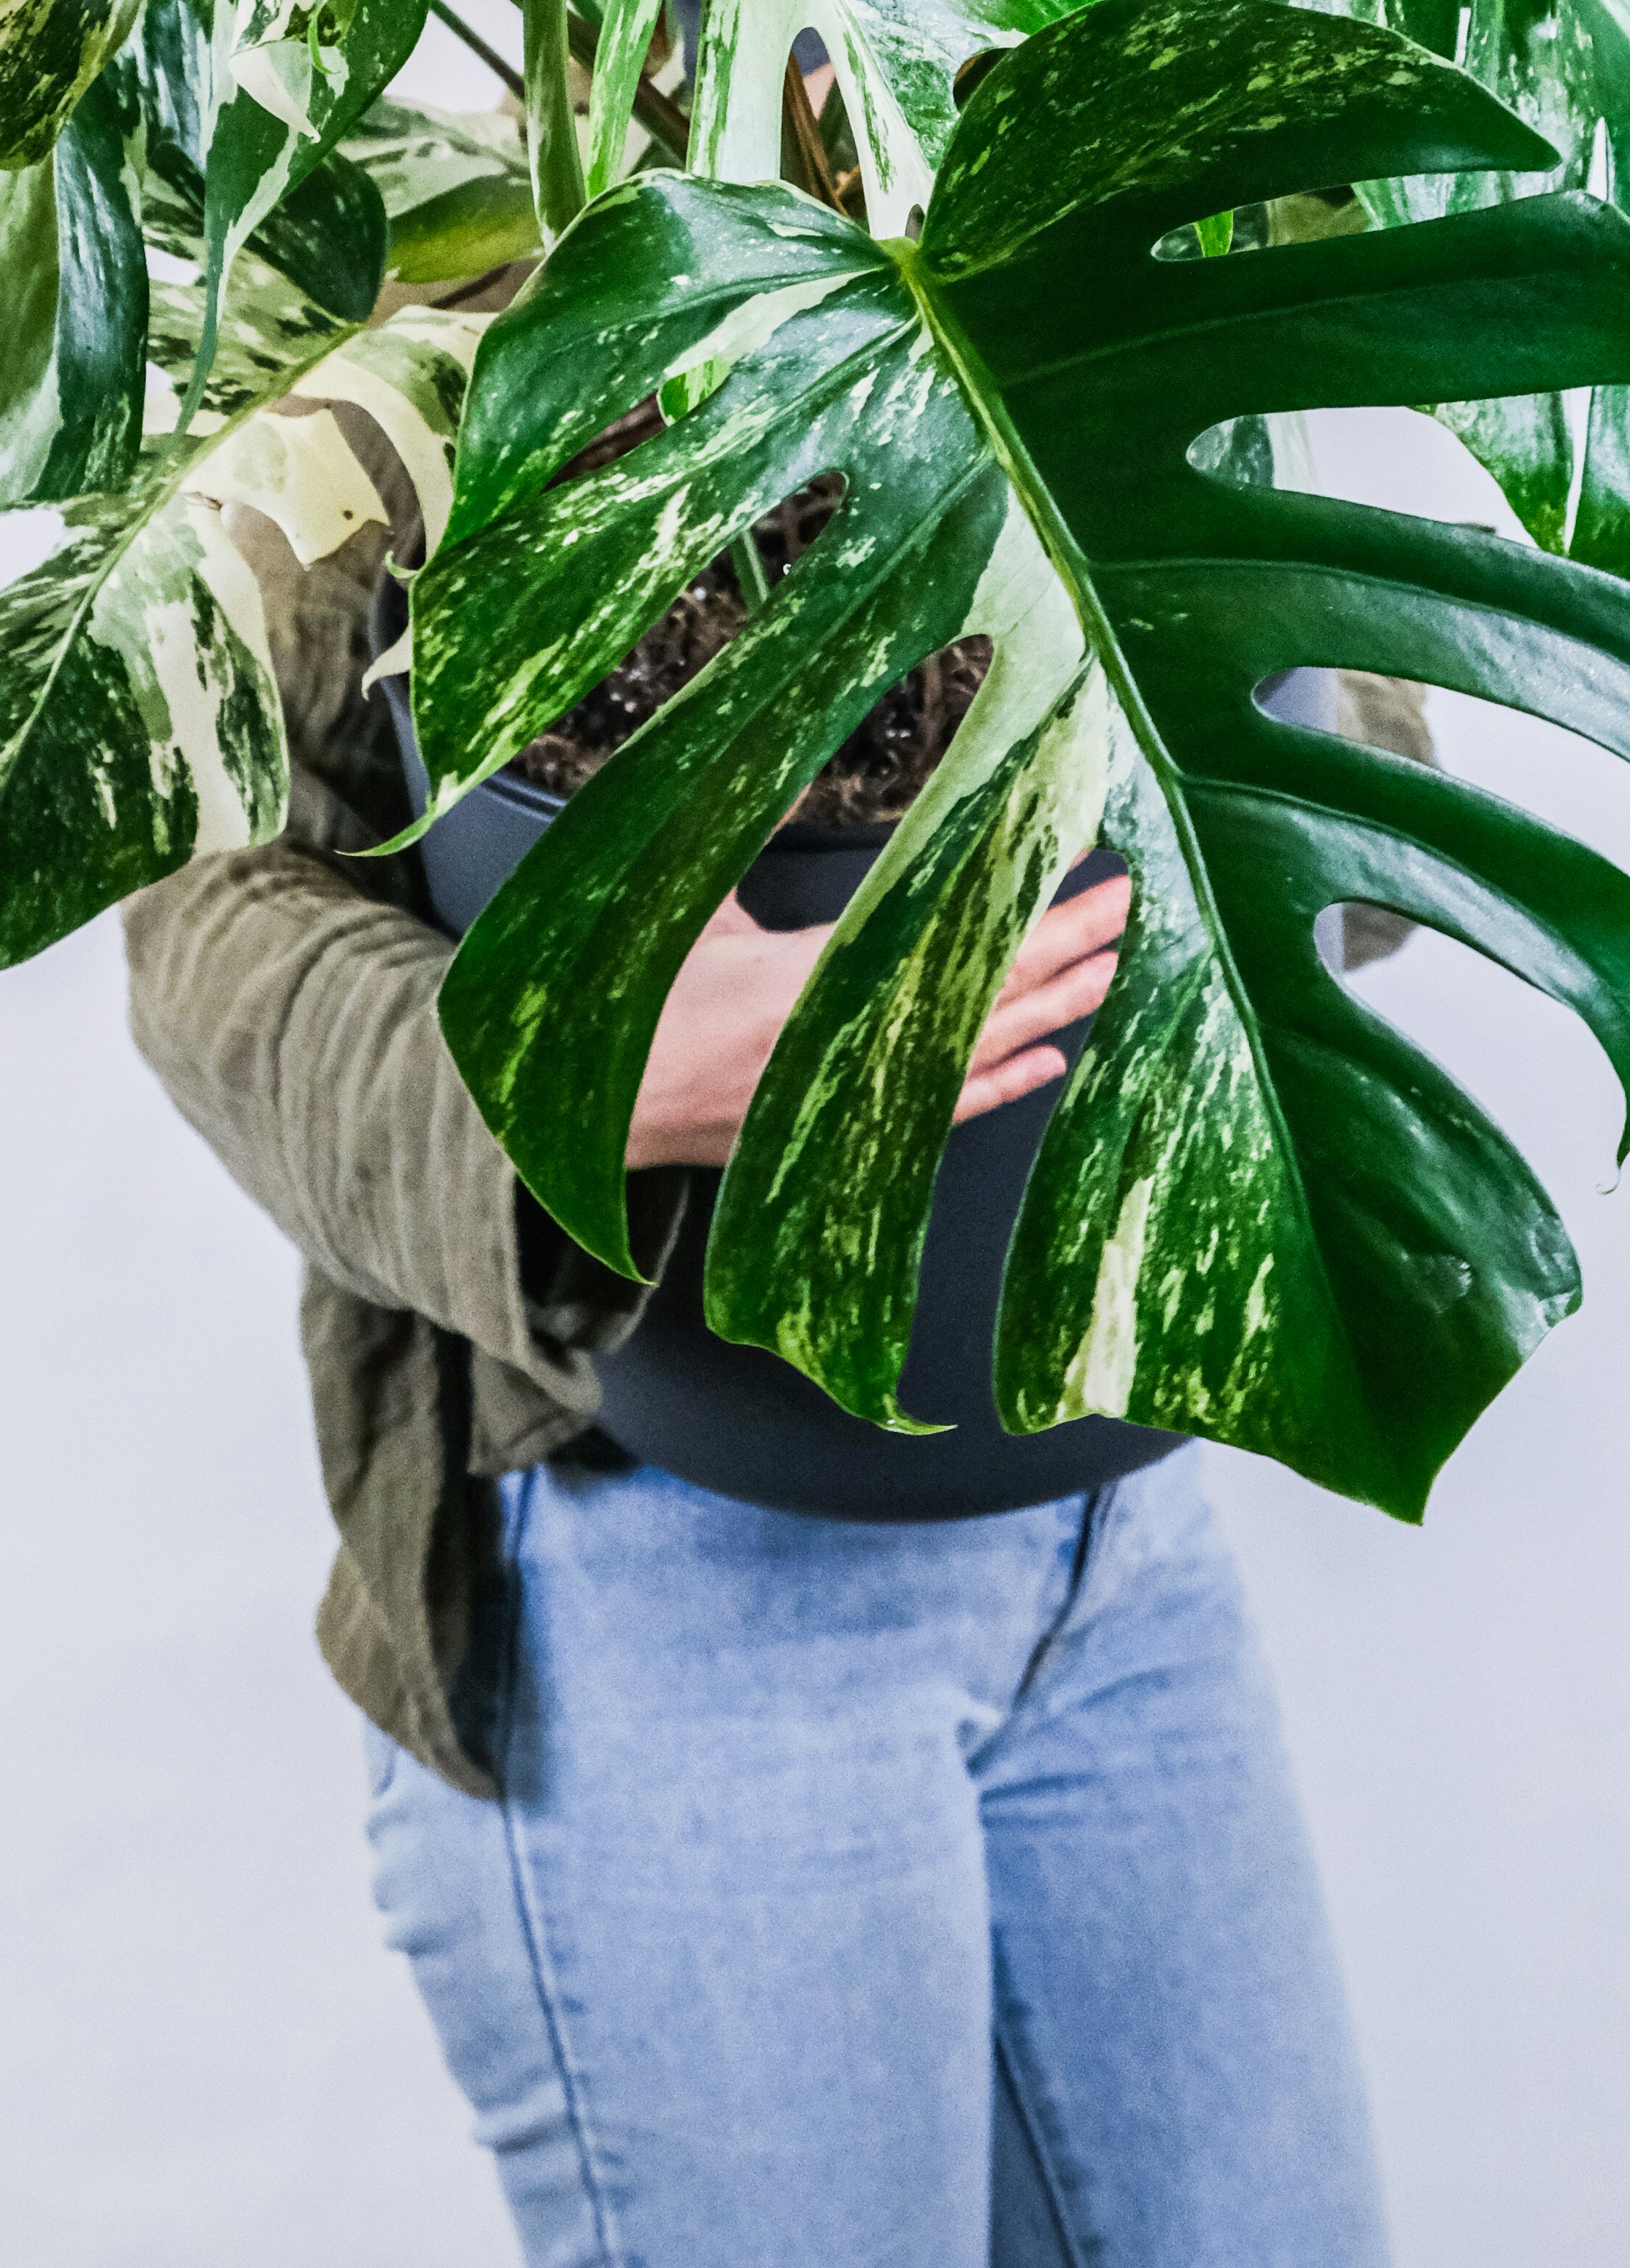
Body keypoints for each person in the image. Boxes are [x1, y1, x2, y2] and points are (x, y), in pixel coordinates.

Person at [124, 428, 1412, 2268]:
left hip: (1116, 1552)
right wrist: (579, 1070)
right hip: (663, 1584)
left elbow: (1339, 801)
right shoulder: (414, 262)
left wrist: (1224, 814)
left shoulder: (1066, 183)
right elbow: (209, 924)